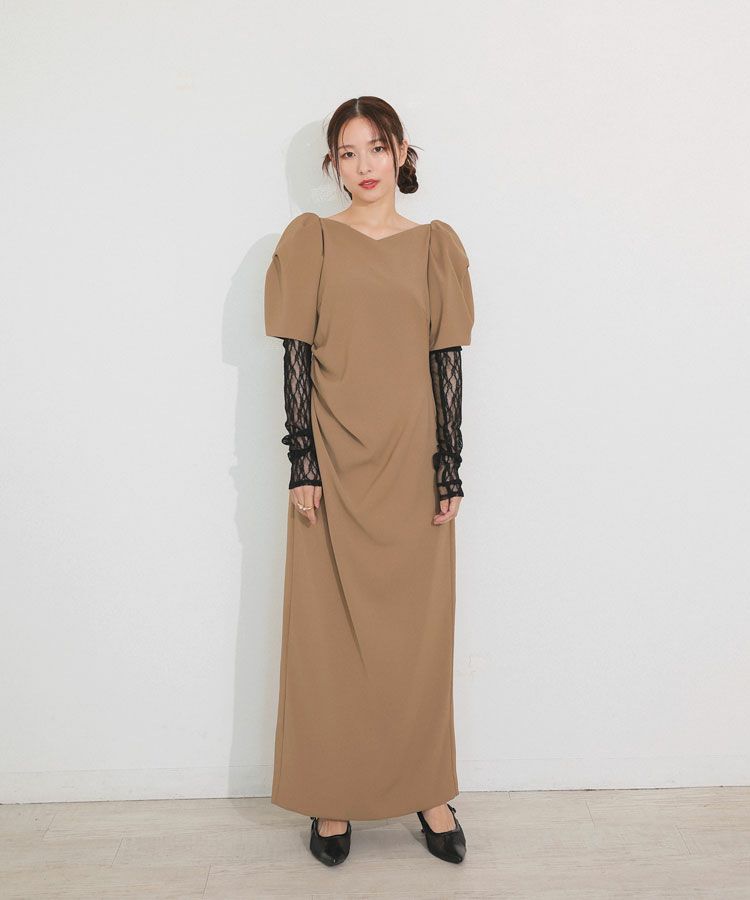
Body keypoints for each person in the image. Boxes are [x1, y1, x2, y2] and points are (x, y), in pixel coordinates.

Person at [264, 96, 474, 866]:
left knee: (417, 638)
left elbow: (445, 358)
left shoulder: (435, 246)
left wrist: (449, 462)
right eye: (348, 153)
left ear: (402, 152)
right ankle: (331, 796)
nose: (364, 165)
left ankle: (429, 792)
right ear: (333, 165)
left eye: (376, 148)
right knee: (326, 639)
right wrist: (302, 460)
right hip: (332, 466)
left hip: (412, 461)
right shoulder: (312, 240)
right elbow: (294, 352)